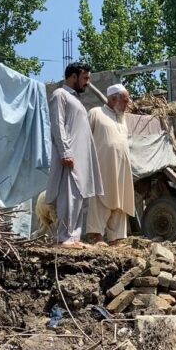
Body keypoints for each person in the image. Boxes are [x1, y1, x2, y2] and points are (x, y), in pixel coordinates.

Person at [44, 62, 103, 248]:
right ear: (73, 77)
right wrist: (66, 152)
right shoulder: (60, 95)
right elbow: (57, 125)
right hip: (69, 157)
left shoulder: (76, 100)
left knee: (77, 198)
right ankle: (64, 237)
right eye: (85, 78)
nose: (88, 82)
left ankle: (74, 238)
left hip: (79, 159)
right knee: (68, 198)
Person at [85, 84, 135, 246]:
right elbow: (84, 139)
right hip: (102, 168)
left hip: (122, 170)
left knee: (121, 200)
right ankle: (96, 235)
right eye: (125, 101)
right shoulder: (95, 113)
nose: (128, 105)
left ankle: (117, 237)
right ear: (114, 99)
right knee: (100, 199)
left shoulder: (122, 118)